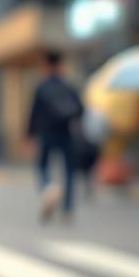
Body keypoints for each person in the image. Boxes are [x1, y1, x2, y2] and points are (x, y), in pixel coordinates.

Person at [26, 50, 84, 223]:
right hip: (66, 132)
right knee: (69, 172)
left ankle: (48, 188)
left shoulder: (41, 87)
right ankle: (67, 210)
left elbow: (33, 113)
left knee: (42, 166)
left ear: (45, 64)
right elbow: (80, 109)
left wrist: (29, 134)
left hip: (46, 133)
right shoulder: (68, 85)